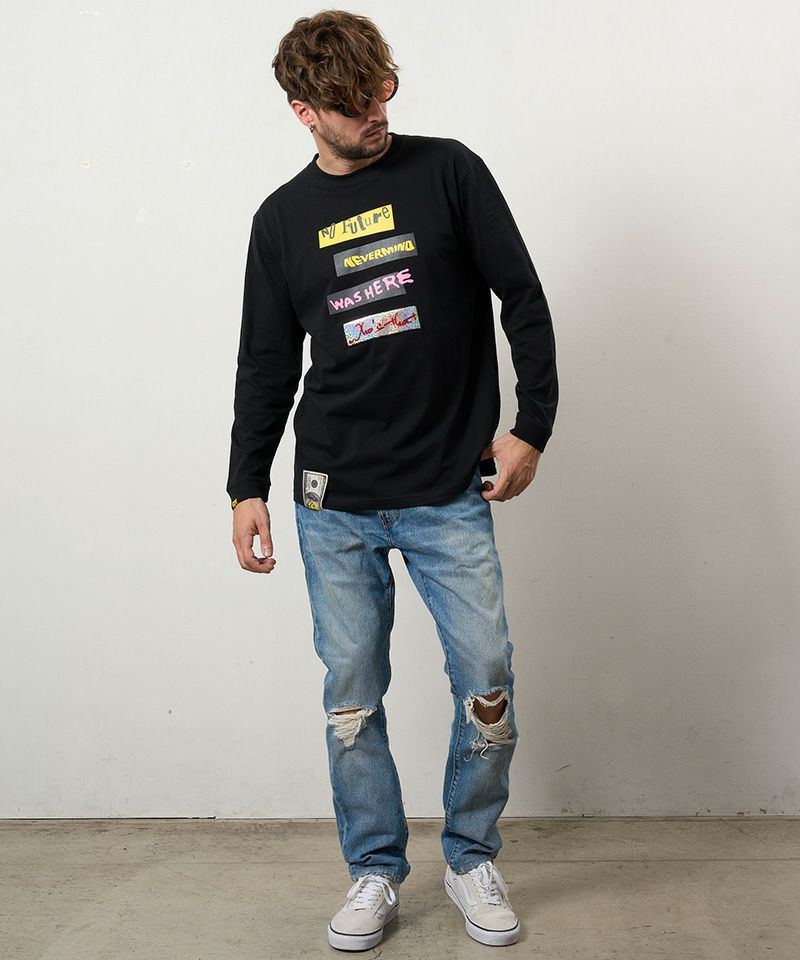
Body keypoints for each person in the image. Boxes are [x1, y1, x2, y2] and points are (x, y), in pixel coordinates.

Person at [227, 9, 558, 951]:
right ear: (304, 112)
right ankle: (374, 869)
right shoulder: (280, 220)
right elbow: (265, 364)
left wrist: (531, 427)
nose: (376, 113)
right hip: (333, 502)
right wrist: (245, 487)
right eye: (351, 105)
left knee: (487, 681)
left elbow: (523, 298)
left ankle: (470, 856)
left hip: (449, 489)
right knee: (352, 698)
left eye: (382, 90)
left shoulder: (449, 171)